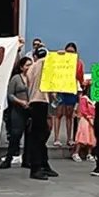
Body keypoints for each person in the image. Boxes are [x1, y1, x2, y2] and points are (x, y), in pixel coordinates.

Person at [26, 47, 59, 180]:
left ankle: (43, 164)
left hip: (39, 102)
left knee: (42, 134)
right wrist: (61, 54)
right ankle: (35, 167)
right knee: (38, 136)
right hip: (38, 102)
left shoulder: (32, 69)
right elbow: (47, 61)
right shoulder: (40, 64)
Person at [1, 56, 32, 169]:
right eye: (27, 65)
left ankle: (27, 160)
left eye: (31, 65)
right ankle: (9, 158)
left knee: (29, 135)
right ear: (21, 67)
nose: (29, 67)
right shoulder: (16, 78)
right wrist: (20, 101)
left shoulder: (33, 78)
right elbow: (10, 95)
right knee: (15, 134)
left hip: (30, 109)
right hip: (18, 109)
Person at [52, 42, 85, 147]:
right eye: (68, 51)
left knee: (69, 115)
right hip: (60, 90)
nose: (70, 53)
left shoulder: (79, 63)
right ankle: (56, 138)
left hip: (71, 91)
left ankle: (69, 138)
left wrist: (81, 89)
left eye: (72, 52)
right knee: (58, 114)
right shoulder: (59, 61)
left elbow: (80, 78)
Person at [72, 89, 96, 162]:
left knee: (91, 137)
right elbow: (83, 110)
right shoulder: (84, 98)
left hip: (93, 119)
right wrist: (89, 118)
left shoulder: (95, 100)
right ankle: (76, 153)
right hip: (85, 119)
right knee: (82, 136)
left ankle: (89, 154)